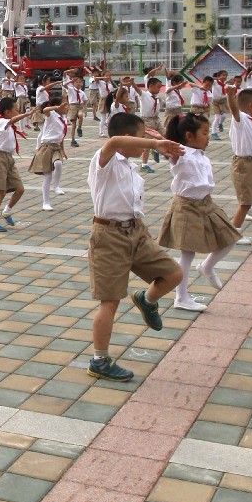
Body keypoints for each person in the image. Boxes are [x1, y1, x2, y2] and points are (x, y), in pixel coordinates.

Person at [86, 111, 184, 381]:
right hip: (108, 236)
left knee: (174, 274)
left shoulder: (129, 164)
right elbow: (115, 141)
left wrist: (159, 141)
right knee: (110, 302)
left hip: (136, 231)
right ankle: (100, 359)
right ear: (128, 137)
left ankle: (147, 299)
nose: (144, 142)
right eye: (139, 137)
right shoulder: (104, 160)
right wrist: (153, 144)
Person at [158, 112, 240, 310]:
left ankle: (207, 266)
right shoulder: (181, 154)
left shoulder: (200, 154)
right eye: (204, 133)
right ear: (189, 135)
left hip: (206, 203)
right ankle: (181, 297)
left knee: (230, 237)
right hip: (187, 206)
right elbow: (170, 151)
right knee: (188, 254)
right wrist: (161, 140)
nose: (208, 136)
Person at [226, 84, 252, 241]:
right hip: (243, 165)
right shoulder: (241, 120)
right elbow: (234, 110)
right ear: (251, 106)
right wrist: (229, 94)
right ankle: (234, 231)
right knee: (245, 201)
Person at [0, 97, 28, 230]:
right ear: (7, 112)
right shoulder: (1, 122)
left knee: (20, 188)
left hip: (9, 158)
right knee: (1, 191)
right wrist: (26, 114)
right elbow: (11, 120)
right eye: (15, 109)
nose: (17, 111)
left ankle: (7, 211)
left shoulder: (9, 125)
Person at [28, 98, 68, 210]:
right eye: (64, 105)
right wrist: (56, 108)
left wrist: (63, 150)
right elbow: (45, 109)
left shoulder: (63, 119)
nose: (67, 107)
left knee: (58, 164)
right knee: (48, 176)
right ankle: (46, 202)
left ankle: (56, 186)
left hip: (56, 147)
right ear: (56, 106)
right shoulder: (51, 115)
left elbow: (61, 136)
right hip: (46, 147)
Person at [136, 76, 164, 173]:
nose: (159, 89)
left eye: (160, 87)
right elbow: (137, 90)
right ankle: (144, 164)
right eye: (158, 87)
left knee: (164, 134)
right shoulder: (144, 95)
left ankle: (156, 149)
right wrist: (131, 84)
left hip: (156, 119)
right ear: (151, 86)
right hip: (146, 120)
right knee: (147, 143)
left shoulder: (156, 98)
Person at [67, 74, 86, 147]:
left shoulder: (82, 92)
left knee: (81, 115)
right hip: (73, 106)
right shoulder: (71, 89)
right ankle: (72, 140)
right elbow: (64, 85)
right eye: (76, 82)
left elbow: (85, 101)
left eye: (80, 82)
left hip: (80, 106)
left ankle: (80, 128)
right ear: (73, 83)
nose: (78, 83)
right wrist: (70, 81)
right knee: (73, 125)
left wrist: (85, 109)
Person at [210, 69, 229, 140]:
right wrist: (217, 78)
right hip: (215, 102)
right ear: (219, 76)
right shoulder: (215, 82)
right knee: (217, 117)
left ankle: (220, 124)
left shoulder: (226, 84)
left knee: (223, 116)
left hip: (223, 102)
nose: (225, 77)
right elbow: (209, 78)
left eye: (226, 75)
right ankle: (213, 133)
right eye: (223, 75)